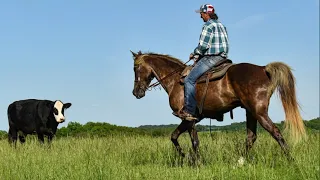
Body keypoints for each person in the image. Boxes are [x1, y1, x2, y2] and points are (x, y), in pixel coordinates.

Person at [179, 4, 229, 121]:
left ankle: (189, 110)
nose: (200, 16)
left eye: (201, 14)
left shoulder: (208, 25)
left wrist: (194, 53)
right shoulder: (222, 25)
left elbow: (203, 46)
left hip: (212, 58)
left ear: (206, 14)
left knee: (189, 80)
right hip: (223, 58)